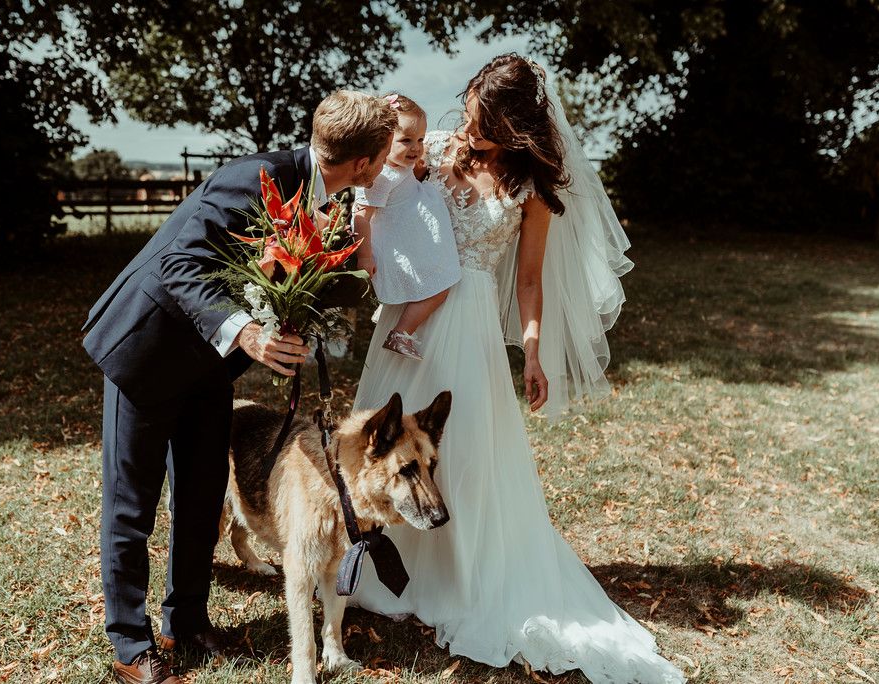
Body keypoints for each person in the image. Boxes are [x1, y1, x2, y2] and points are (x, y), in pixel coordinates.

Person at [348, 54, 687, 683]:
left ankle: (456, 572)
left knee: (464, 450)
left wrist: (531, 351)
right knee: (381, 442)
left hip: (469, 323)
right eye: (470, 113)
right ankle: (372, 559)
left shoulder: (529, 189)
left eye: (483, 120)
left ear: (513, 124)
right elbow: (385, 186)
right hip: (411, 310)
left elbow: (528, 281)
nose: (469, 127)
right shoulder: (441, 147)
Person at [81, 91, 396, 684]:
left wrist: (290, 329)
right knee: (132, 506)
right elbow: (179, 260)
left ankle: (188, 621)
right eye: (382, 157)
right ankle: (130, 644)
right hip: (146, 352)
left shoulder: (326, 201)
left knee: (201, 495)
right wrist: (248, 332)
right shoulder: (257, 178)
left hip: (209, 365)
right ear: (366, 161)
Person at [352, 93, 461, 360]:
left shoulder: (398, 168)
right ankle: (402, 332)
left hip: (410, 238)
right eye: (406, 141)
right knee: (440, 286)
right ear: (383, 141)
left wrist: (416, 170)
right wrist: (364, 256)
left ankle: (402, 330)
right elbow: (360, 216)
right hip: (397, 246)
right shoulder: (378, 177)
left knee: (438, 283)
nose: (416, 147)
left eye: (421, 140)